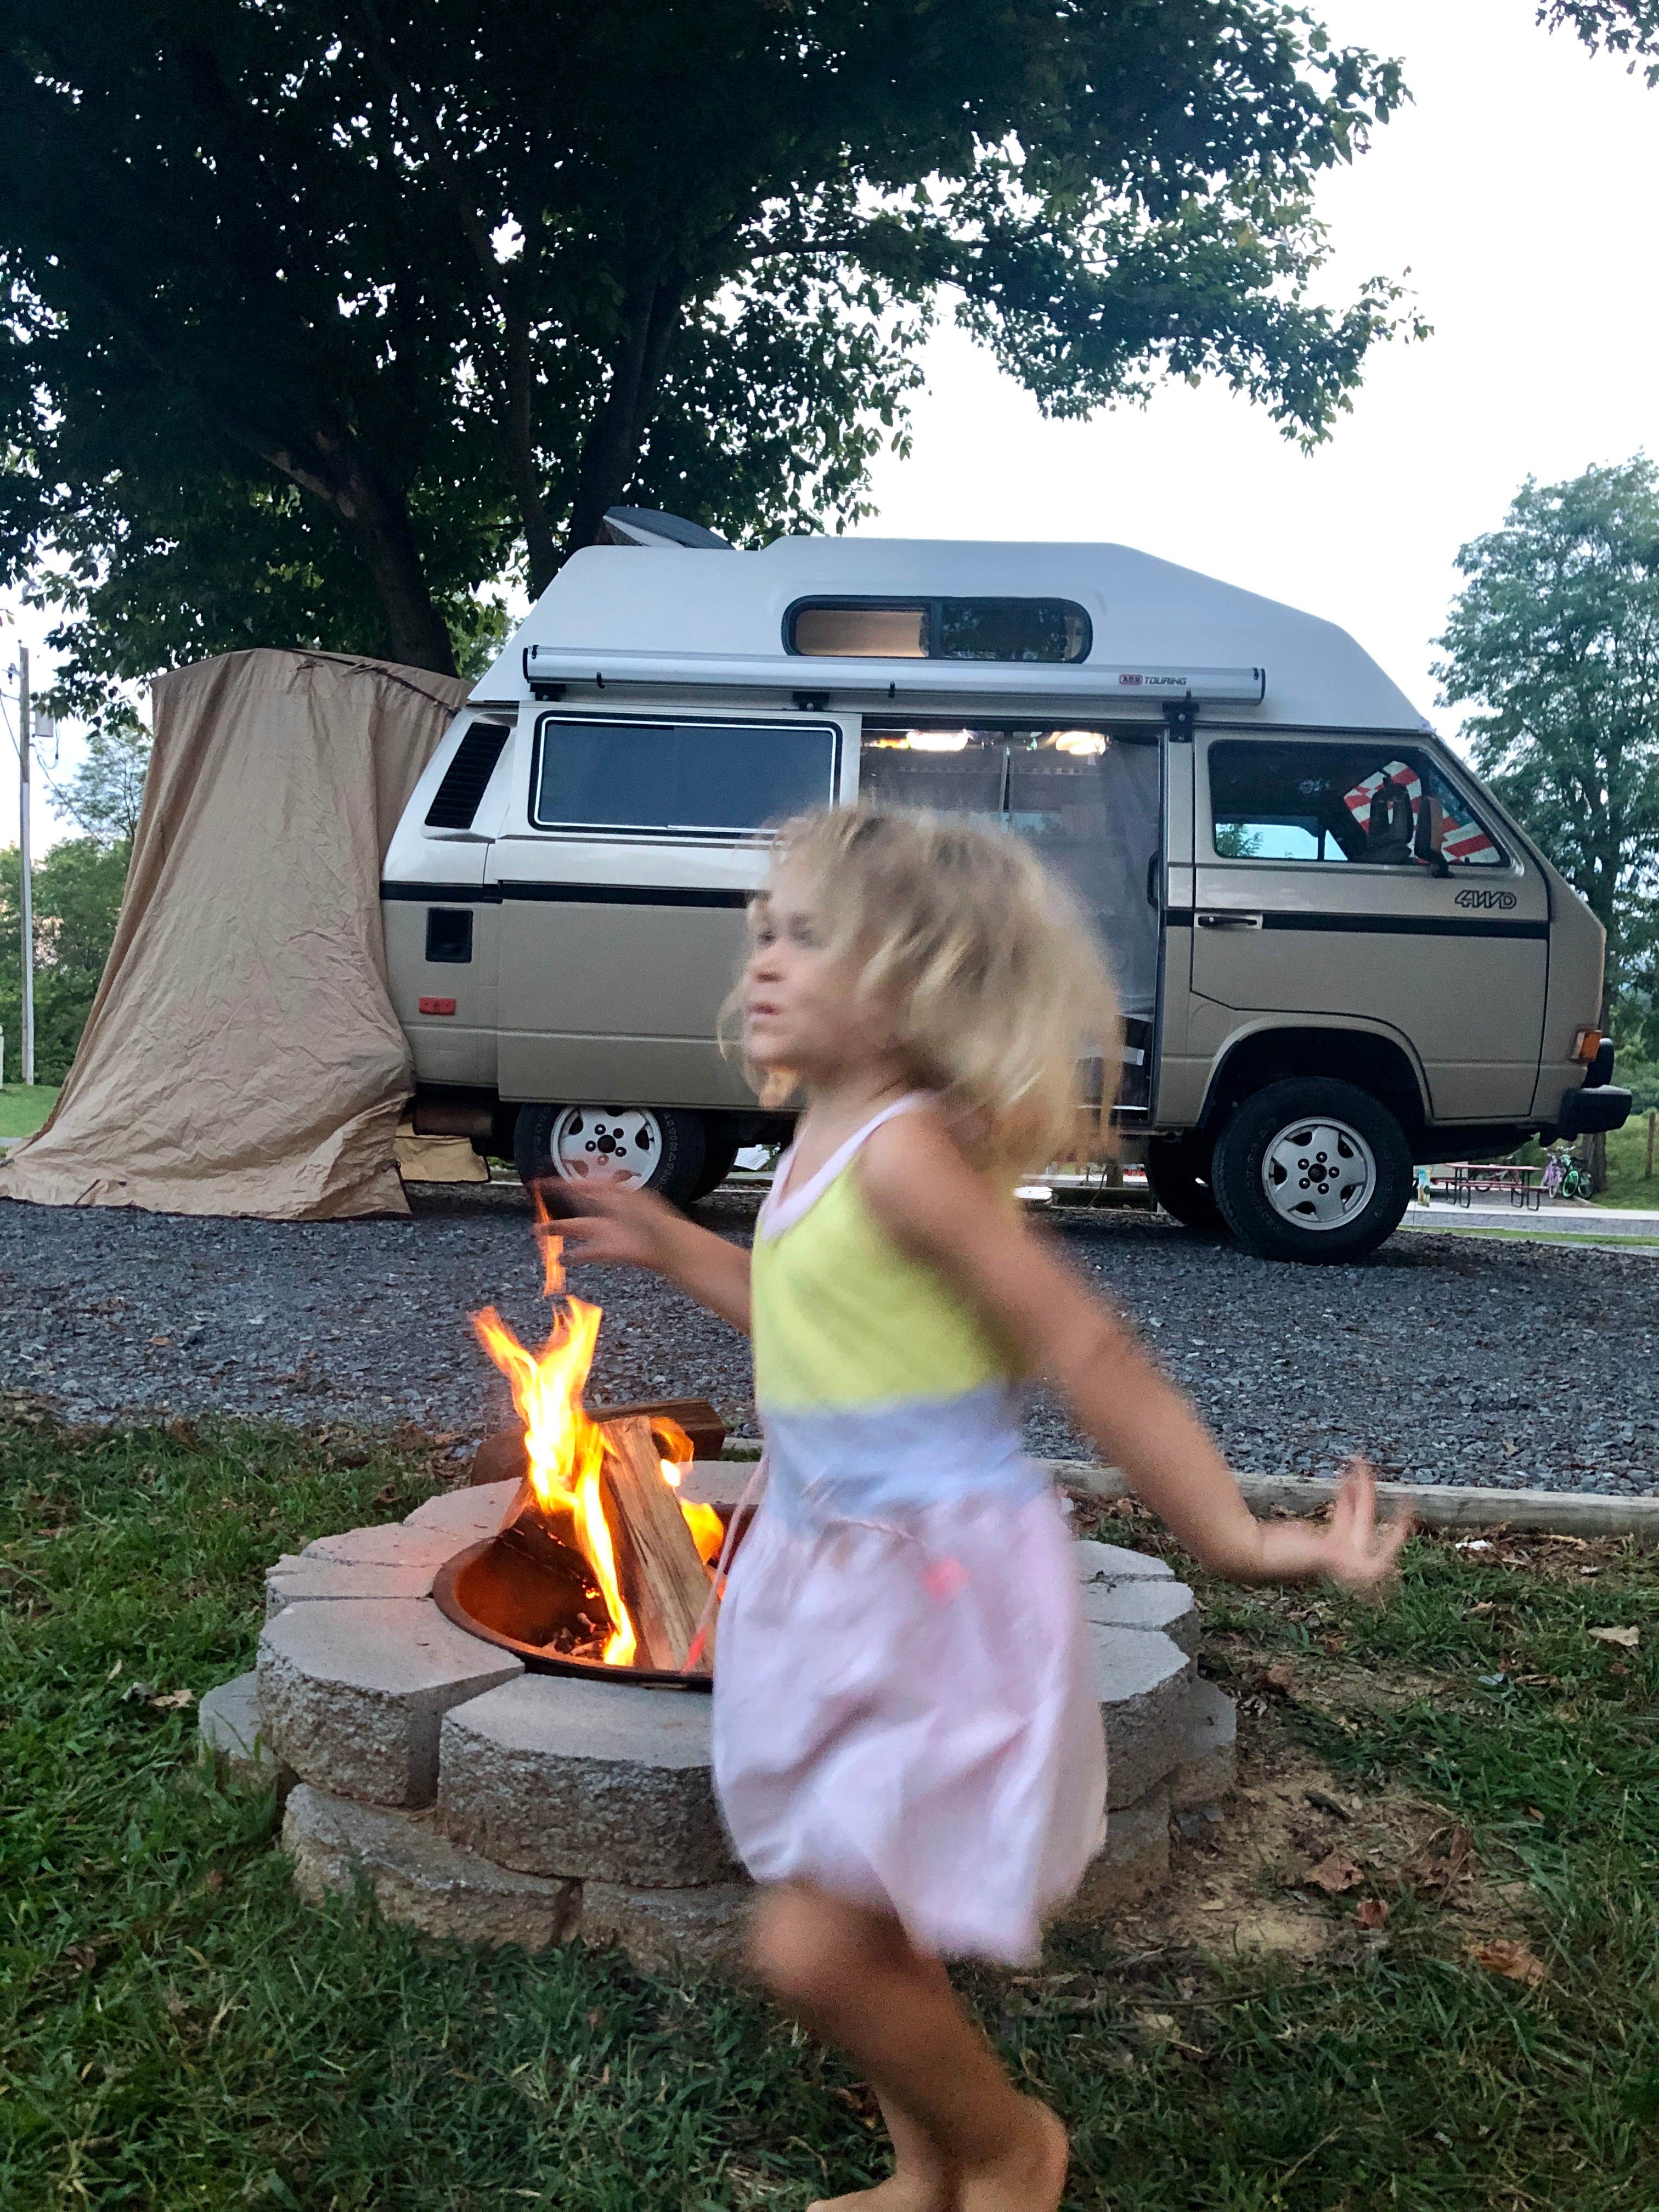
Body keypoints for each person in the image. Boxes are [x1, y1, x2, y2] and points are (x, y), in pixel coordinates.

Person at [560, 806, 1410, 2212]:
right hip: (837, 1565)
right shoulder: (827, 1140)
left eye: (809, 937)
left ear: (915, 979)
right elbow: (802, 1320)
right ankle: (924, 2169)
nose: (765, 959)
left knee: (815, 1945)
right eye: (764, 930)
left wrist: (1242, 1536)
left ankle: (1012, 2147)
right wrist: (674, 1245)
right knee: (865, 1901)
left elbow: (1087, 1347)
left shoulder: (906, 1152)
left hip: (934, 1591)